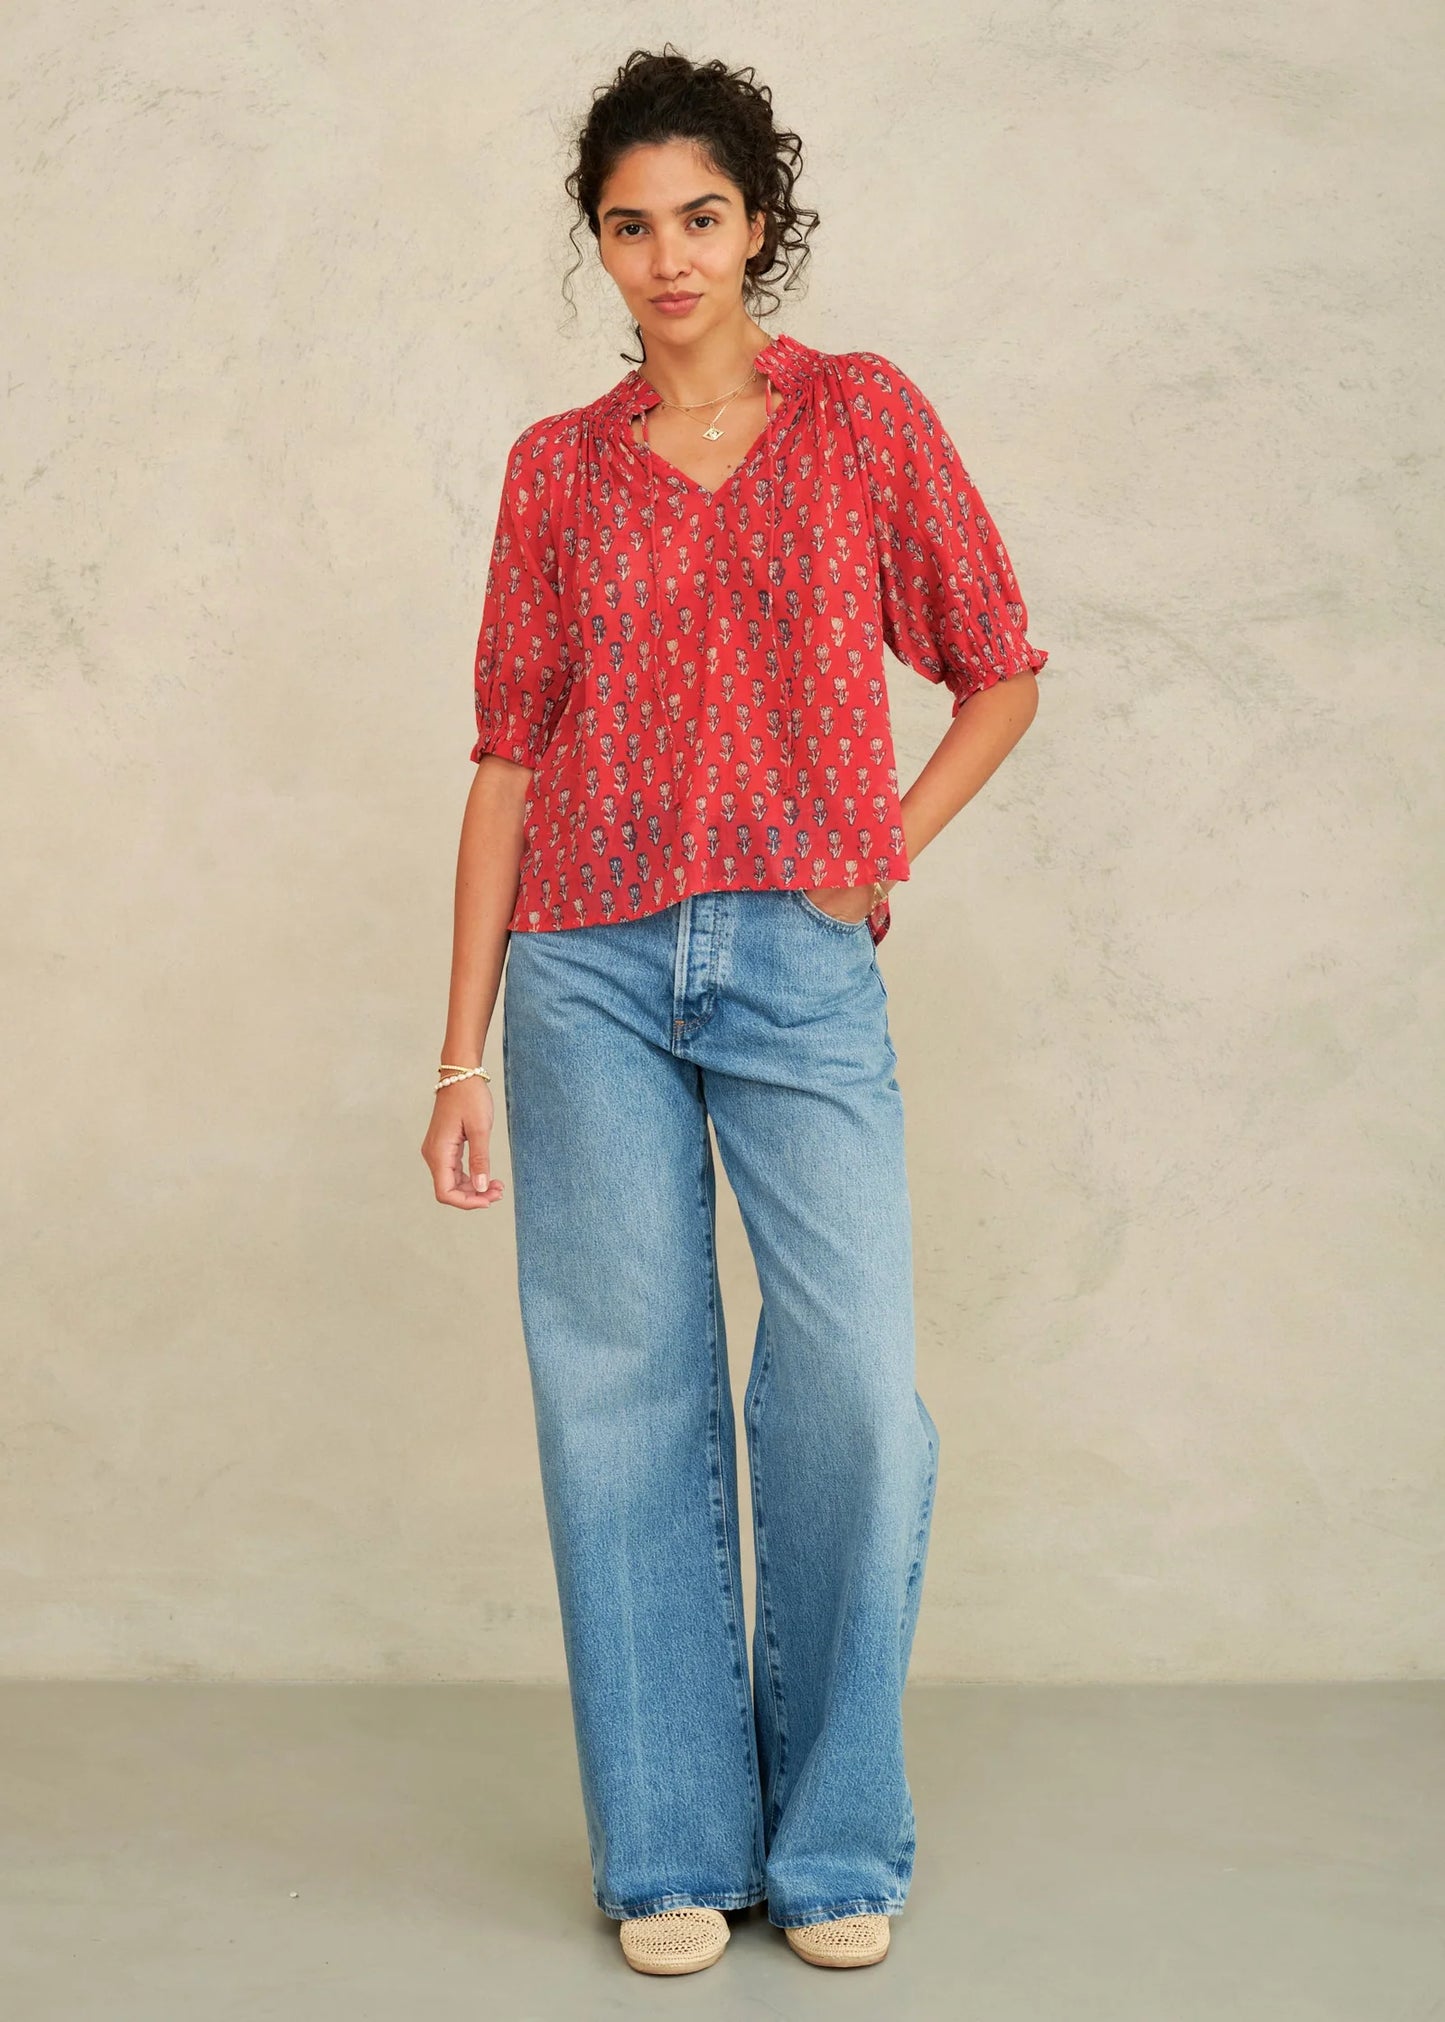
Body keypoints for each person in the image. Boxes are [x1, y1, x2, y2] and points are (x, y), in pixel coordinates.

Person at [420, 46, 1048, 1979]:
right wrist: (457, 1047)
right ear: (596, 247)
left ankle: (836, 1831)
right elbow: (507, 760)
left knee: (855, 1380)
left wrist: (878, 848)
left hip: (794, 958)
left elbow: (999, 670)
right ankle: (671, 1845)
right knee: (620, 1399)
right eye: (629, 224)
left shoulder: (862, 419)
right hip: (583, 968)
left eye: (699, 216)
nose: (666, 255)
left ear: (757, 223)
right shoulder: (556, 465)